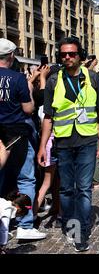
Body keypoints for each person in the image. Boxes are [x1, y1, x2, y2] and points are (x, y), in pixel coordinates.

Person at [37, 37, 99, 252]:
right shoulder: (53, 81)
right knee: (67, 189)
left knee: (84, 189)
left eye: (72, 54)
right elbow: (48, 117)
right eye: (63, 54)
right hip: (63, 142)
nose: (67, 57)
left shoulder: (94, 78)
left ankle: (81, 232)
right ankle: (70, 224)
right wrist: (43, 146)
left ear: (80, 56)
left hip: (87, 141)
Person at [0, 38, 47, 241]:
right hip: (17, 133)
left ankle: (3, 222)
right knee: (26, 178)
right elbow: (28, 109)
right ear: (11, 56)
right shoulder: (17, 78)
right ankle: (25, 224)